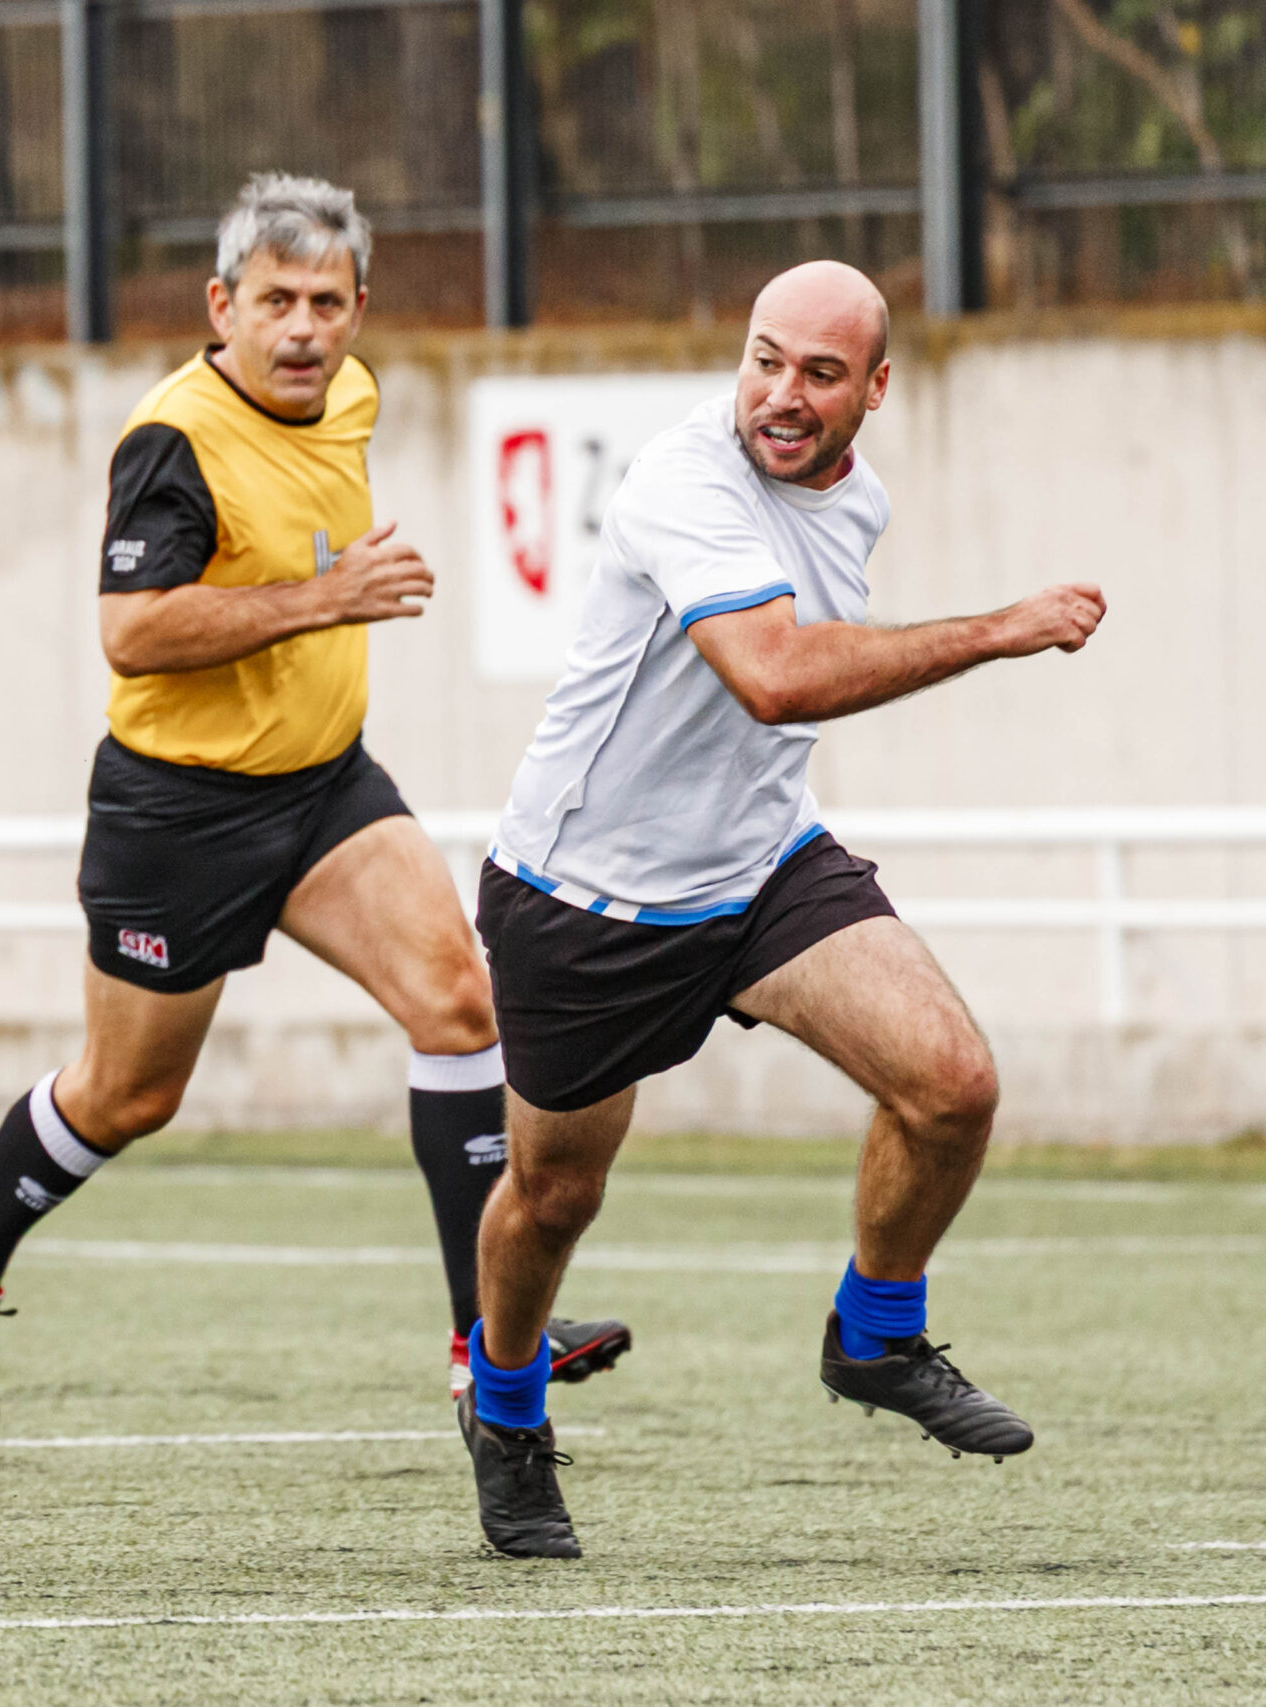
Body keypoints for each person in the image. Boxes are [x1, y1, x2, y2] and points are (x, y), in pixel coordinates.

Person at [0, 174, 630, 1440]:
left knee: (462, 1004)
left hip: (324, 785)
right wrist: (322, 601)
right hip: (175, 814)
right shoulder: (170, 440)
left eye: (327, 302)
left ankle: (481, 1344)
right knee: (126, 1097)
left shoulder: (349, 396)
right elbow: (132, 632)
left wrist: (319, 604)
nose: (303, 329)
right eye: (276, 301)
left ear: (358, 309)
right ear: (219, 306)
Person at [456, 260, 1107, 1559]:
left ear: (875, 388)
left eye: (819, 371)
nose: (782, 394)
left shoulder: (854, 493)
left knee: (952, 1084)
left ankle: (874, 1333)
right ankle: (508, 1406)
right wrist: (997, 628)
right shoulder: (680, 479)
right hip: (589, 898)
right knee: (554, 1193)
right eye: (765, 358)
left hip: (758, 866)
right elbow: (774, 675)